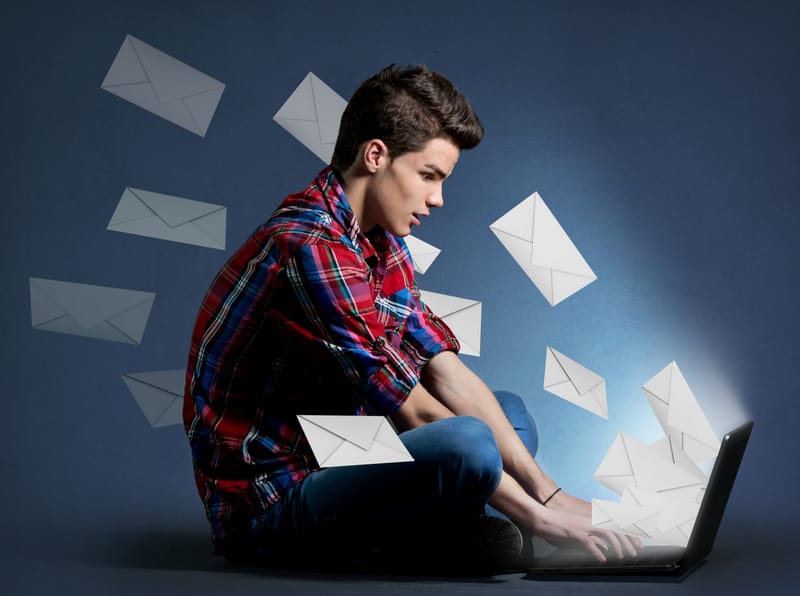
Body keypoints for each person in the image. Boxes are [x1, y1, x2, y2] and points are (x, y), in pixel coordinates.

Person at [183, 64, 639, 573]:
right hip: (273, 502)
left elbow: (441, 370)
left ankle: (415, 533)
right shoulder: (309, 248)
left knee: (505, 413)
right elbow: (416, 413)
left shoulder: (382, 240)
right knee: (467, 444)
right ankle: (426, 533)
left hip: (342, 455)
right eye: (428, 175)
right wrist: (540, 520)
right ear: (375, 155)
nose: (438, 198)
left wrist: (554, 496)